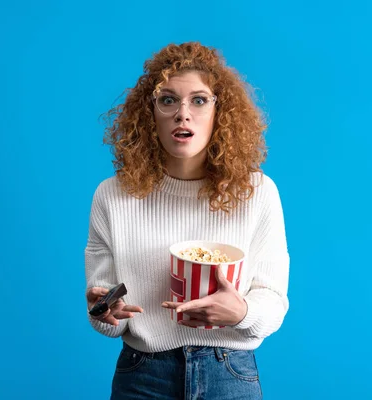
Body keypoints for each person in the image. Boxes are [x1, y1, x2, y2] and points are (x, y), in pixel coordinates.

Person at [84, 41, 290, 400]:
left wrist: (241, 311)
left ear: (219, 111)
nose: (183, 114)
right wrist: (105, 312)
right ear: (149, 114)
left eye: (198, 100)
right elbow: (105, 312)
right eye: (168, 100)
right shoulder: (112, 195)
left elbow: (273, 299)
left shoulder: (258, 192)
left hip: (229, 372)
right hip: (143, 375)